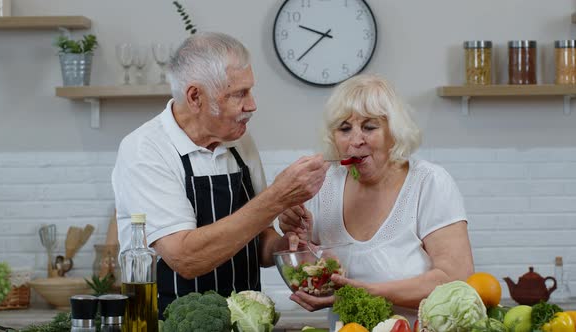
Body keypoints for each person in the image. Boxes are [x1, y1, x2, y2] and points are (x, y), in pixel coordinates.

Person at [112, 32, 329, 319]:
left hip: (247, 323)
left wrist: (285, 246)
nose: (252, 105)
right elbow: (185, 257)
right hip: (167, 323)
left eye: (250, 91)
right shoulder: (146, 149)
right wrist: (277, 197)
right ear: (195, 97)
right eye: (239, 93)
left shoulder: (240, 142)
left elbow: (258, 238)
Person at [279, 74, 474, 324]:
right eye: (344, 128)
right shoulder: (325, 185)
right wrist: (301, 239)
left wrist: (364, 293)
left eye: (369, 127)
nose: (356, 140)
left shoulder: (429, 182)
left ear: (394, 132)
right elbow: (317, 275)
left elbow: (456, 278)